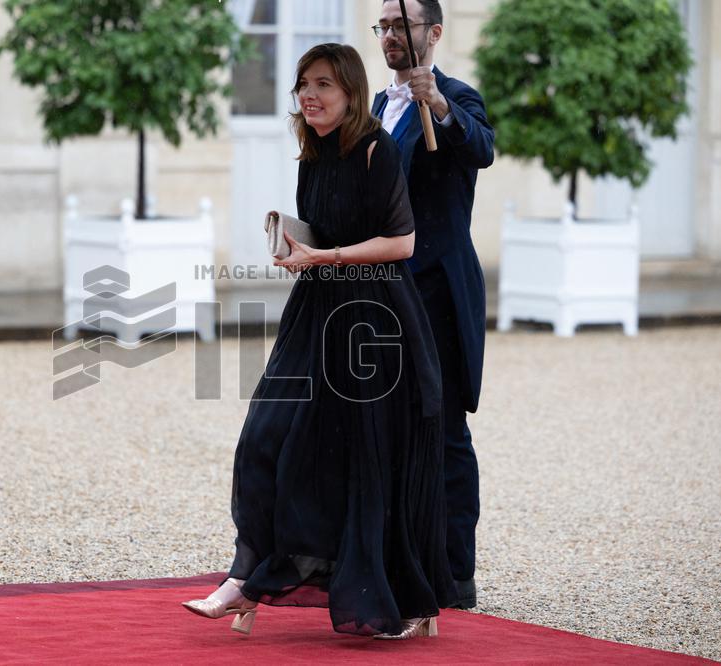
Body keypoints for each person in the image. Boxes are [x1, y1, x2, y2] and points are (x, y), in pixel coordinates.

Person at [182, 43, 456, 640]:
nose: (309, 95)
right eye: (303, 84)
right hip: (317, 310)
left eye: (324, 84)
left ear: (352, 92)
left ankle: (385, 592)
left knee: (361, 455)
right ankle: (246, 572)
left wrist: (325, 255)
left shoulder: (376, 149)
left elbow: (401, 242)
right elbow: (326, 233)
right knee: (266, 433)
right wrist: (296, 243)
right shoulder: (311, 156)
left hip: (375, 317)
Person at [370, 0, 495, 609]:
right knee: (387, 431)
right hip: (381, 295)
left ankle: (456, 574)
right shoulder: (377, 105)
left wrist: (438, 105)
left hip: (440, 296)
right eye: (385, 26)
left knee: (444, 431)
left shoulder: (459, 97)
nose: (391, 35)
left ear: (434, 33)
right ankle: (400, 563)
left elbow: (482, 148)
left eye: (403, 25)